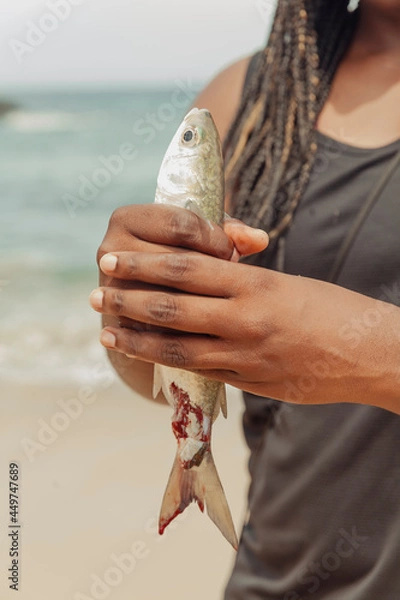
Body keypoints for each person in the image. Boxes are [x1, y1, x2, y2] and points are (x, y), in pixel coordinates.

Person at [90, 0, 400, 597]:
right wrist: (137, 304)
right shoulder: (253, 94)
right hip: (278, 578)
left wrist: (360, 351)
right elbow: (152, 373)